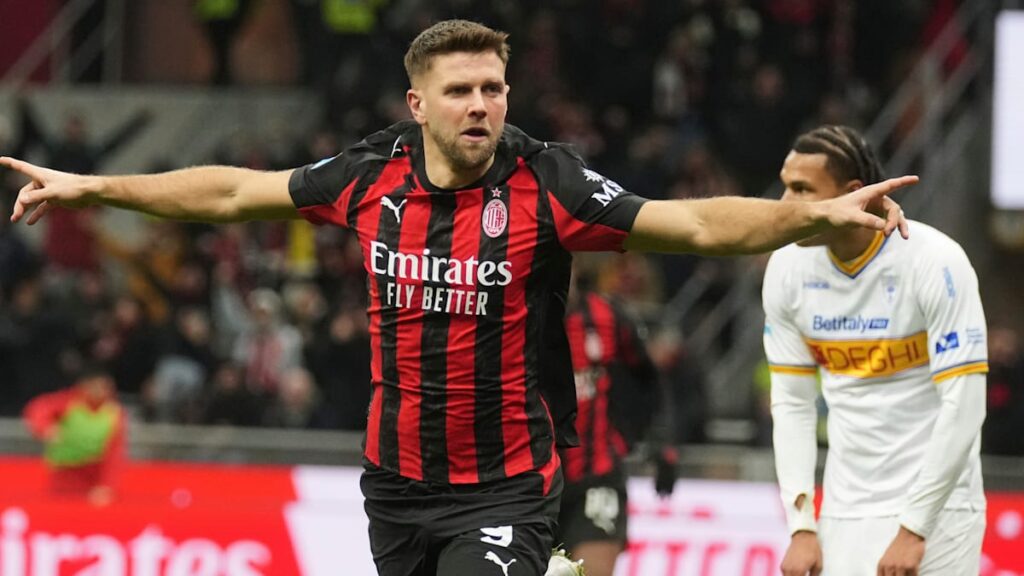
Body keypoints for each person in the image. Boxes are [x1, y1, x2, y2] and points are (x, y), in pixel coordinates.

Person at [3, 20, 915, 576]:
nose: (480, 104)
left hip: (505, 490)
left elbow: (698, 224)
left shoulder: (549, 182)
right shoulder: (368, 175)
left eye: (493, 88)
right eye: (460, 91)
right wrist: (96, 187)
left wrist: (811, 217)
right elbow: (233, 193)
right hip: (394, 484)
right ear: (418, 104)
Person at [763, 125, 986, 576]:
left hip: (941, 513)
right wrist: (801, 525)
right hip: (844, 512)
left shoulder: (933, 260)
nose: (785, 203)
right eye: (785, 186)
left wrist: (915, 528)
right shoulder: (787, 268)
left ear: (852, 193)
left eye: (802, 189)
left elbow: (964, 403)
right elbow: (791, 404)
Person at [556, 265, 676, 576]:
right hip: (529, 482)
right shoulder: (517, 316)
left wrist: (661, 442)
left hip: (596, 475)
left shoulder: (607, 316)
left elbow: (648, 378)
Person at [22, 365, 127, 506]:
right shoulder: (68, 401)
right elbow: (39, 408)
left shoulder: (114, 413)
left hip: (93, 472)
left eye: (105, 387)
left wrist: (107, 485)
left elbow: (114, 453)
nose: (100, 391)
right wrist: (45, 428)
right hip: (65, 472)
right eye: (95, 386)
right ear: (84, 386)